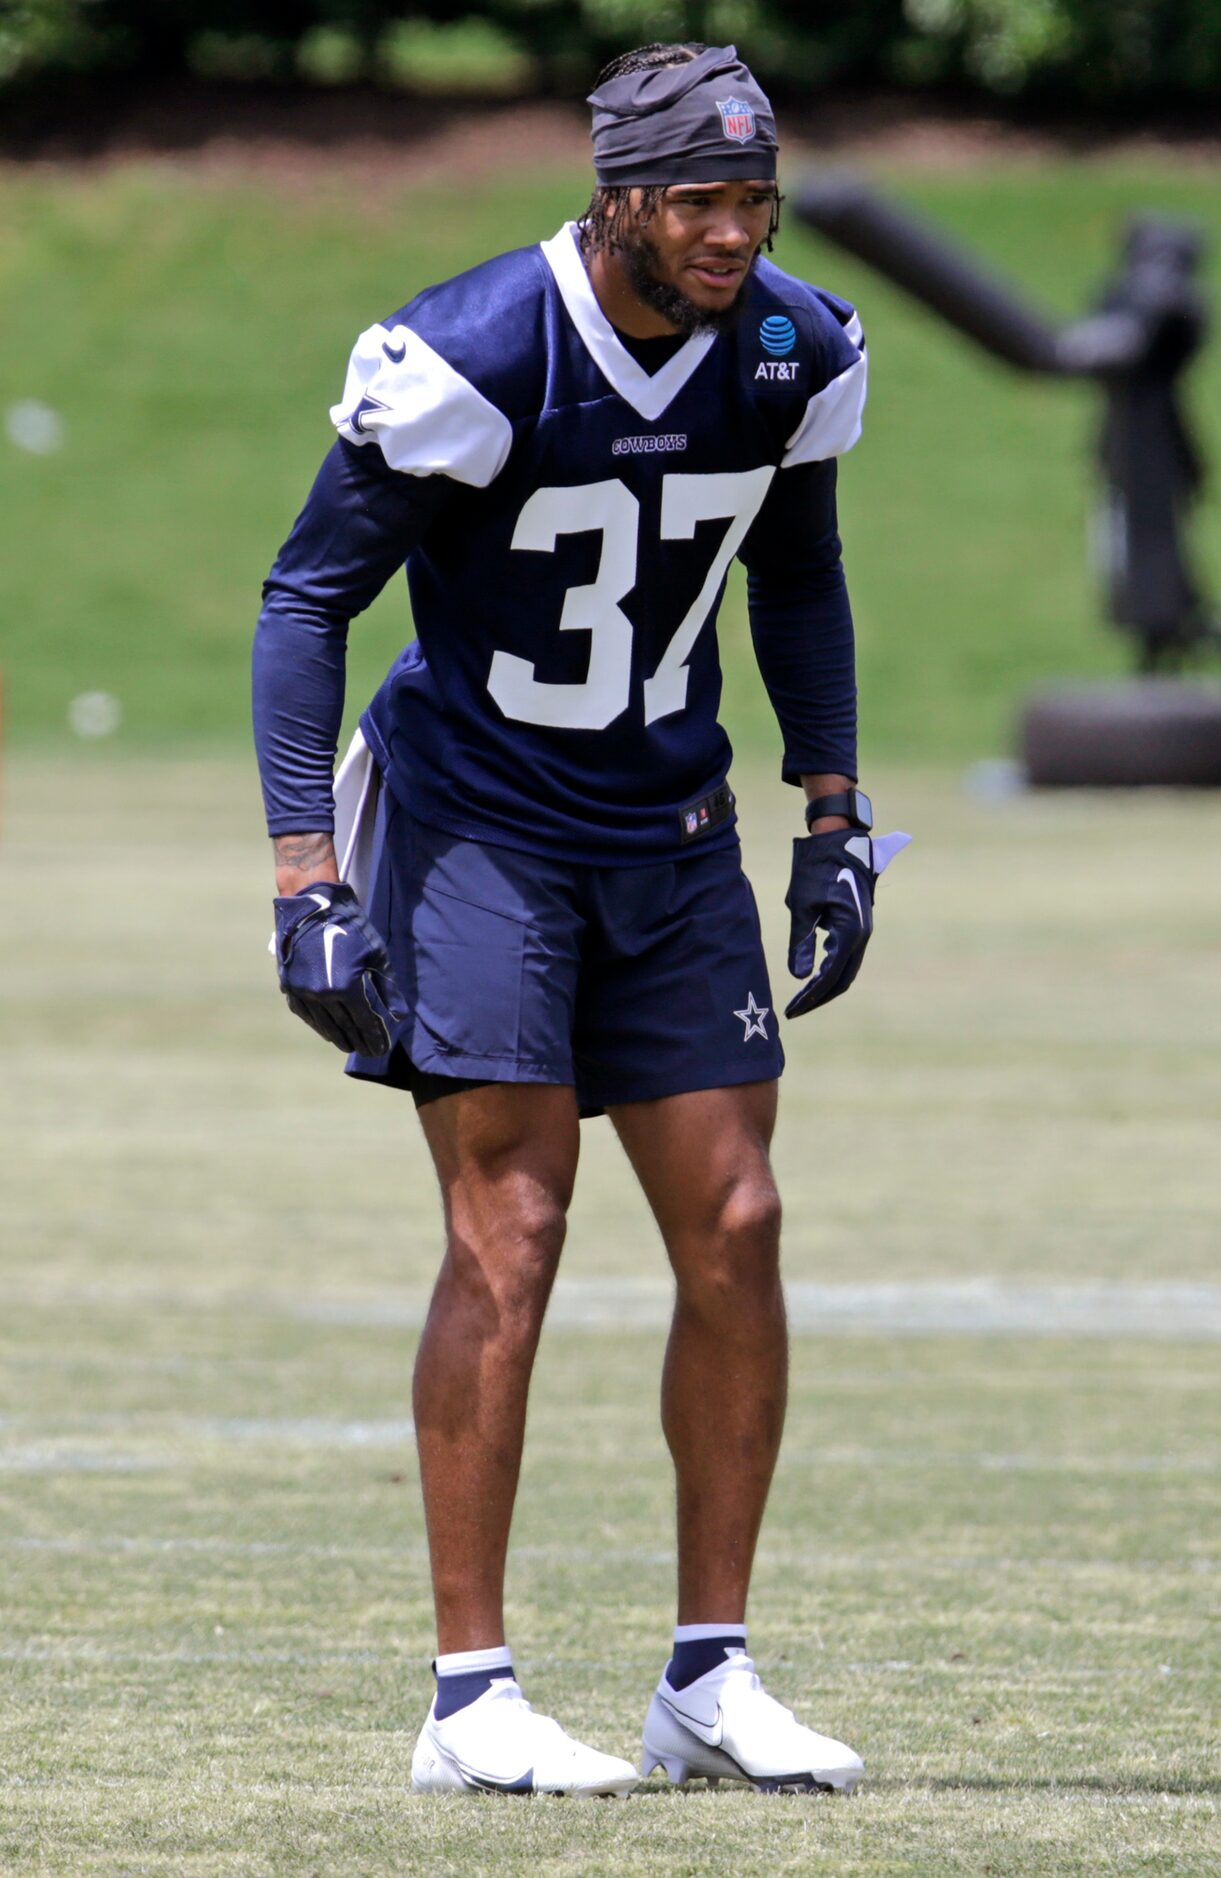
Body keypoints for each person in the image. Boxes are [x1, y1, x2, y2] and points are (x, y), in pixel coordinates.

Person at [253, 41, 906, 1799]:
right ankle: (470, 1698)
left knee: (741, 1221)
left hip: (671, 826)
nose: (731, 233)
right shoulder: (477, 348)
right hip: (478, 825)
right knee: (512, 1232)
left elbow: (798, 572)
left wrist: (831, 808)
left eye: (754, 200)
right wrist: (304, 870)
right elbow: (306, 595)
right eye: (700, 198)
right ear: (617, 190)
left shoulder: (792, 346)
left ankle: (708, 1676)